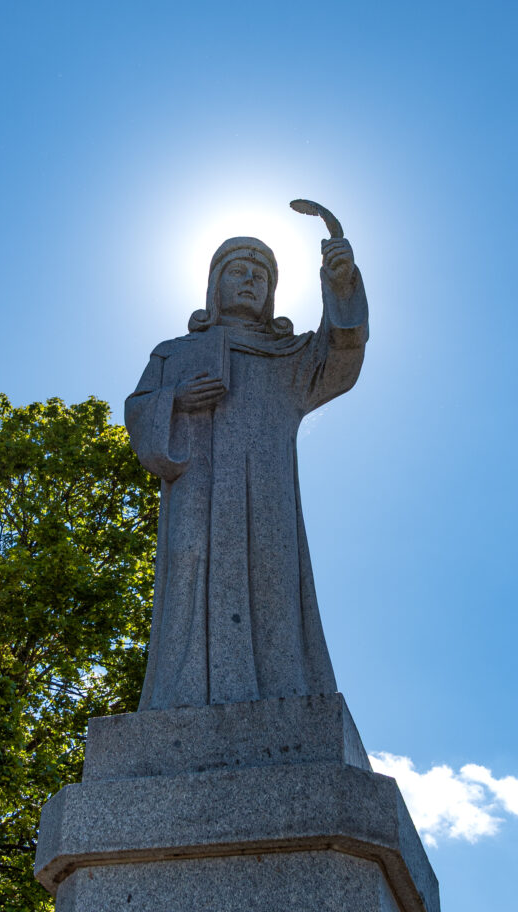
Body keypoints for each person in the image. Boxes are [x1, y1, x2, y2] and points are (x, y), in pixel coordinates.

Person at [125, 233, 369, 710]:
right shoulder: (173, 353)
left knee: (274, 583)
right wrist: (174, 401)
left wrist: (341, 287)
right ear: (215, 285)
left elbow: (340, 360)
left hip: (267, 496)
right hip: (196, 493)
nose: (250, 281)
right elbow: (138, 413)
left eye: (261, 276)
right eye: (238, 271)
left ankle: (286, 698)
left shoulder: (290, 355)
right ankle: (181, 701)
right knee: (189, 579)